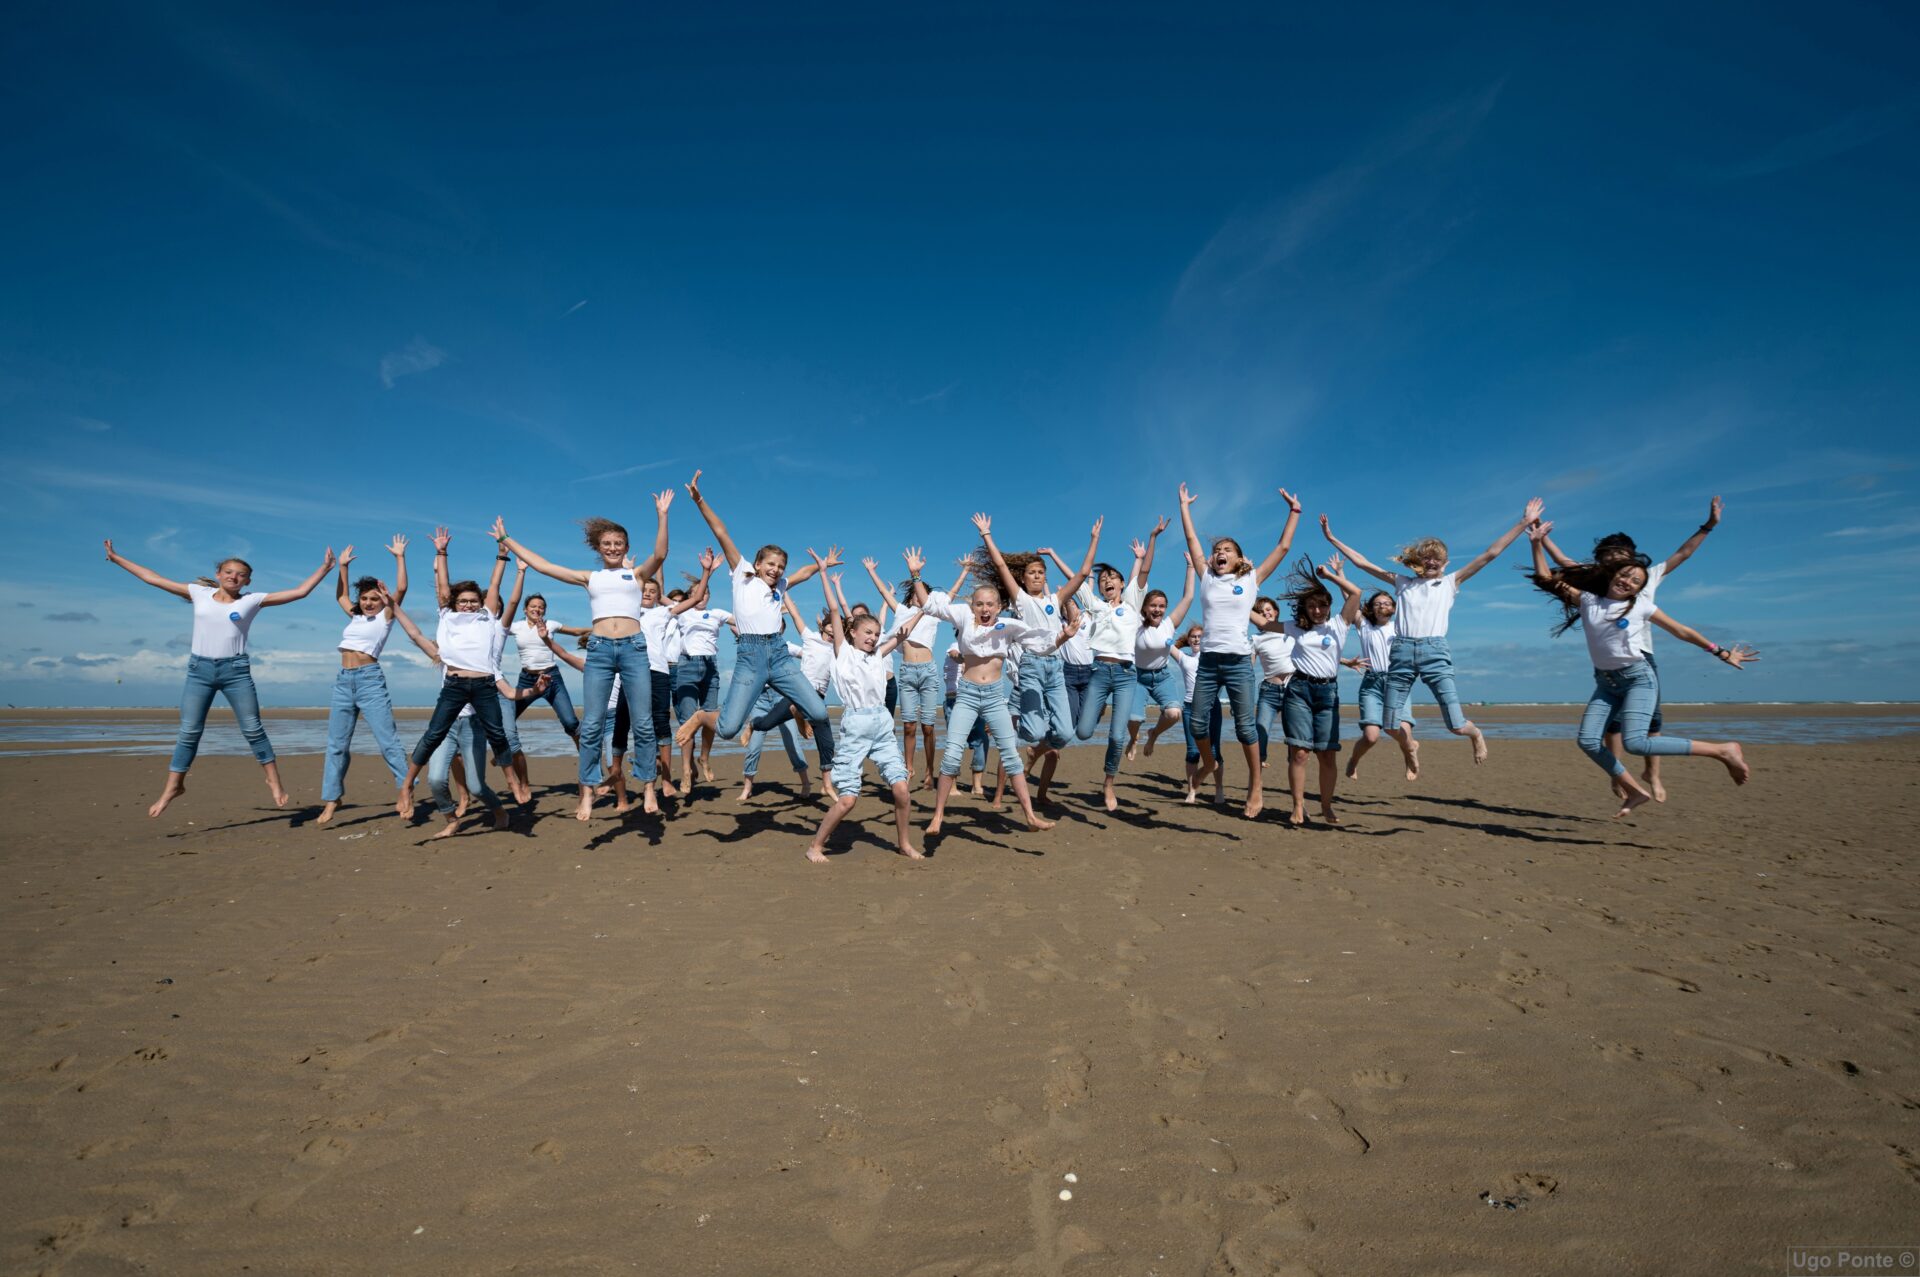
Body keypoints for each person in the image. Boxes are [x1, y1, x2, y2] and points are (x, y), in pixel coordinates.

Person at [1526, 521, 1754, 815]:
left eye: (1636, 581)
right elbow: (1547, 578)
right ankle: (1633, 790)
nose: (1629, 581)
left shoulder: (1642, 607)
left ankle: (1723, 751)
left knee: (1636, 741)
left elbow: (1681, 631)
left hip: (1638, 678)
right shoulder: (1588, 600)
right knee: (1587, 740)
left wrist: (1721, 652)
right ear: (1612, 575)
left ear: (1640, 588)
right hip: (1605, 683)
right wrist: (1536, 542)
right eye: (1624, 575)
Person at [105, 538, 334, 818]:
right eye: (228, 572)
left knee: (252, 728)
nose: (234, 577)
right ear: (218, 575)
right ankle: (173, 788)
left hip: (235, 672)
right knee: (189, 732)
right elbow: (153, 578)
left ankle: (273, 780)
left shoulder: (252, 601)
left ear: (247, 581)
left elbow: (299, 592)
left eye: (240, 574)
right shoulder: (198, 593)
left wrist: (324, 568)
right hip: (199, 671)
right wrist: (117, 559)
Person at [1320, 501, 1541, 768]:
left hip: (1434, 652)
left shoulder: (1450, 582)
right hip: (1400, 653)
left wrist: (1524, 522)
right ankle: (1410, 747)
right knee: (1390, 724)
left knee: (1456, 725)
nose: (1432, 561)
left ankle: (1476, 734)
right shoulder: (1403, 582)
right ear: (1418, 562)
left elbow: (1490, 553)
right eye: (1427, 557)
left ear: (1446, 564)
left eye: (1438, 558)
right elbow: (1364, 564)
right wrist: (1332, 538)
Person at [492, 494, 673, 818]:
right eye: (607, 543)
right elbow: (544, 566)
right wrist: (508, 540)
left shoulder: (637, 576)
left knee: (643, 723)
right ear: (598, 547)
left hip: (633, 647)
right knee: (590, 725)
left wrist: (662, 514)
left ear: (626, 546)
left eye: (619, 543)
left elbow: (660, 553)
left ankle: (647, 785)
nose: (614, 547)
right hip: (601, 650)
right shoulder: (591, 578)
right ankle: (587, 790)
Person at [675, 469, 837, 760]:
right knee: (727, 729)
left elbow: (802, 574)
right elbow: (721, 532)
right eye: (771, 564)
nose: (776, 570)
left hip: (778, 653)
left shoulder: (781, 585)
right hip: (750, 657)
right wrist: (699, 501)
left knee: (819, 710)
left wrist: (822, 566)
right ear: (758, 563)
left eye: (780, 566)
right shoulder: (743, 574)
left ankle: (777, 718)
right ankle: (701, 717)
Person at [1174, 482, 1304, 818]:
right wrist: (1184, 507)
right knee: (1199, 726)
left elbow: (1283, 547)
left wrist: (1294, 513)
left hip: (1238, 663)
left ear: (1240, 558)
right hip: (1209, 662)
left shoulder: (1250, 580)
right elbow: (1191, 541)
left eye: (1227, 549)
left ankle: (1255, 785)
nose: (1220, 553)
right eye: (1217, 549)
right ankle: (1211, 762)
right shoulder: (1206, 576)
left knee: (1245, 727)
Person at [922, 566, 1078, 836]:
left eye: (990, 604)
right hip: (968, 695)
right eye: (979, 604)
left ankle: (1030, 816)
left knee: (1011, 756)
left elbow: (1039, 643)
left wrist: (1063, 636)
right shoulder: (963, 616)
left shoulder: (1009, 626)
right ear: (973, 605)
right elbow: (930, 606)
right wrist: (916, 576)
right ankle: (937, 817)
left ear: (999, 606)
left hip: (994, 697)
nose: (984, 608)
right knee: (952, 755)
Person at [390, 588, 547, 836]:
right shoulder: (444, 657)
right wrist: (394, 606)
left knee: (476, 786)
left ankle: (499, 811)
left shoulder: (484, 664)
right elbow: (414, 632)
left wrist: (535, 691)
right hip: (450, 726)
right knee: (435, 779)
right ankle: (450, 818)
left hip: (473, 727)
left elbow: (508, 693)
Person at [394, 541, 533, 815]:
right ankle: (407, 785)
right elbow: (443, 586)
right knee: (433, 734)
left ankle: (511, 781)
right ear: (454, 603)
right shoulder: (447, 615)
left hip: (483, 685)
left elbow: (494, 586)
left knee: (497, 733)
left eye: (473, 600)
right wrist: (441, 553)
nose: (468, 604)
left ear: (480, 603)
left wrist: (501, 557)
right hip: (455, 685)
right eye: (463, 601)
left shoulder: (487, 619)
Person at [972, 517, 1101, 803]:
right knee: (1033, 730)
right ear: (1023, 578)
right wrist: (987, 534)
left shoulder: (1055, 601)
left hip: (1056, 669)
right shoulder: (1021, 600)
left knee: (1065, 733)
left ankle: (1033, 753)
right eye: (1032, 572)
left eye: (1041, 572)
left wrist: (1093, 539)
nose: (1037, 576)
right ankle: (1016, 741)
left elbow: (1081, 575)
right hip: (1030, 668)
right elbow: (1001, 567)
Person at [804, 573, 926, 863]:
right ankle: (815, 846)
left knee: (901, 791)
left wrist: (925, 609)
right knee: (847, 799)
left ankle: (904, 844)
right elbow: (834, 611)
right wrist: (823, 572)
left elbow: (902, 631)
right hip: (856, 726)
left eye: (875, 633)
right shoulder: (843, 653)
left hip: (882, 725)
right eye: (867, 632)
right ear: (853, 634)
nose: (872, 637)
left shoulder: (879, 655)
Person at [316, 537, 412, 826]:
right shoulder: (355, 615)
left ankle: (405, 791)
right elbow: (341, 596)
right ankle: (332, 799)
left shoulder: (385, 616)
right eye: (365, 598)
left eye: (374, 598)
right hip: (343, 682)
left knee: (388, 742)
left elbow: (403, 588)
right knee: (336, 745)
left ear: (383, 600)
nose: (369, 603)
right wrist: (342, 568)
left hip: (370, 682)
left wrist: (399, 558)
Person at [1262, 555, 1362, 826]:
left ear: (1329, 606)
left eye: (1321, 605)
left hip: (1328, 693)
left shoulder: (1340, 625)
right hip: (1299, 691)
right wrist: (1244, 595)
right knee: (1300, 753)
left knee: (1327, 754)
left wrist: (1329, 576)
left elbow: (1356, 592)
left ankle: (1327, 807)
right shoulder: (1296, 628)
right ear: (1304, 608)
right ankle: (1297, 806)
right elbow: (1262, 624)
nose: (1317, 610)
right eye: (1311, 606)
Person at [862, 549, 949, 789]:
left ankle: (930, 770)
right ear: (911, 595)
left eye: (925, 597)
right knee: (909, 725)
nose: (922, 599)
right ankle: (909, 769)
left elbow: (949, 596)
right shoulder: (901, 611)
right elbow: (882, 591)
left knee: (928, 726)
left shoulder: (932, 614)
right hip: (908, 670)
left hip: (928, 670)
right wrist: (872, 572)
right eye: (918, 595)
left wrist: (964, 570)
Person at [1342, 591, 1419, 781]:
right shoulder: (1365, 626)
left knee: (1403, 730)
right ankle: (1353, 760)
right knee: (1371, 736)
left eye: (1386, 602)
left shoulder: (1401, 628)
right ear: (1371, 608)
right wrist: (1339, 574)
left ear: (1393, 608)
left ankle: (1409, 756)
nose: (1381, 605)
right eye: (1377, 603)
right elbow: (1350, 597)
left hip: (1397, 682)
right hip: (1372, 684)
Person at [1126, 557, 1195, 761]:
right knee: (1134, 719)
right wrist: (1138, 559)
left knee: (1174, 713)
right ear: (1145, 608)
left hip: (1163, 677)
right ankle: (1133, 739)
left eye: (1162, 606)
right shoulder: (1136, 623)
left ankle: (1153, 734)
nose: (1157, 609)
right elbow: (1132, 589)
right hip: (1138, 677)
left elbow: (1188, 597)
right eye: (1153, 605)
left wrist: (1191, 567)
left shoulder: (1169, 625)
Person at [1168, 626, 1225, 804]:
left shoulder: (1213, 659)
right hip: (1190, 707)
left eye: (1200, 636)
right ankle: (1192, 791)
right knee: (1193, 751)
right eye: (1193, 637)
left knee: (1214, 749)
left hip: (1211, 706)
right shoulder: (1184, 659)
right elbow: (1166, 643)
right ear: (1189, 639)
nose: (1196, 639)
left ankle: (1219, 790)